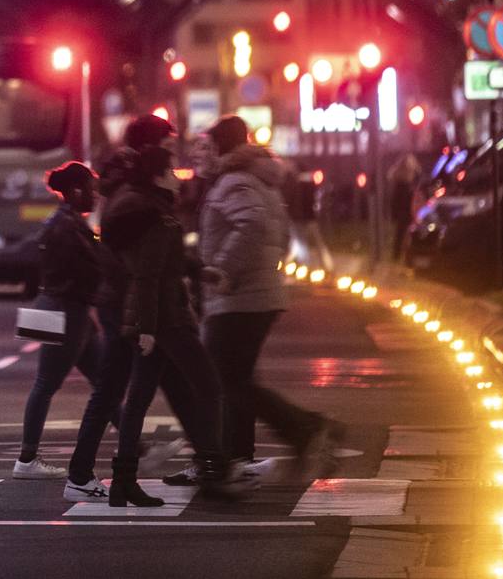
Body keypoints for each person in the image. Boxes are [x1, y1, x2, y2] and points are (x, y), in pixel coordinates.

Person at [101, 114, 239, 506]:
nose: (180, 175)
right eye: (172, 170)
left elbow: (164, 262)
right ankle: (213, 469)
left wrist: (202, 270)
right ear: (160, 176)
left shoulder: (148, 209)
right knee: (210, 387)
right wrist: (146, 327)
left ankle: (124, 480)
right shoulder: (157, 217)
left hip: (154, 318)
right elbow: (148, 275)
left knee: (139, 400)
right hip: (167, 319)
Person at [198, 116, 344, 480]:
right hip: (258, 293)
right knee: (239, 379)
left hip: (239, 296)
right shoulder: (257, 179)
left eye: (207, 147)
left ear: (221, 148)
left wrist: (223, 270)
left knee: (224, 380)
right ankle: (240, 456)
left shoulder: (234, 181)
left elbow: (254, 226)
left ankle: (308, 428)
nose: (202, 155)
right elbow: (276, 233)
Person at [13, 161, 113, 493]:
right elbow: (91, 267)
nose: (96, 196)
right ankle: (26, 460)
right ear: (76, 191)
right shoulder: (67, 226)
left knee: (103, 381)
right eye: (93, 189)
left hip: (60, 307)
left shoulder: (63, 222)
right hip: (65, 311)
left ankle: (136, 444)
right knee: (48, 383)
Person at [286, 167, 332, 275]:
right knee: (317, 243)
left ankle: (305, 266)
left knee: (300, 242)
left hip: (298, 218)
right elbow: (312, 202)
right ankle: (327, 265)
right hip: (310, 217)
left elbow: (293, 202)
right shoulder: (311, 185)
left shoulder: (296, 185)